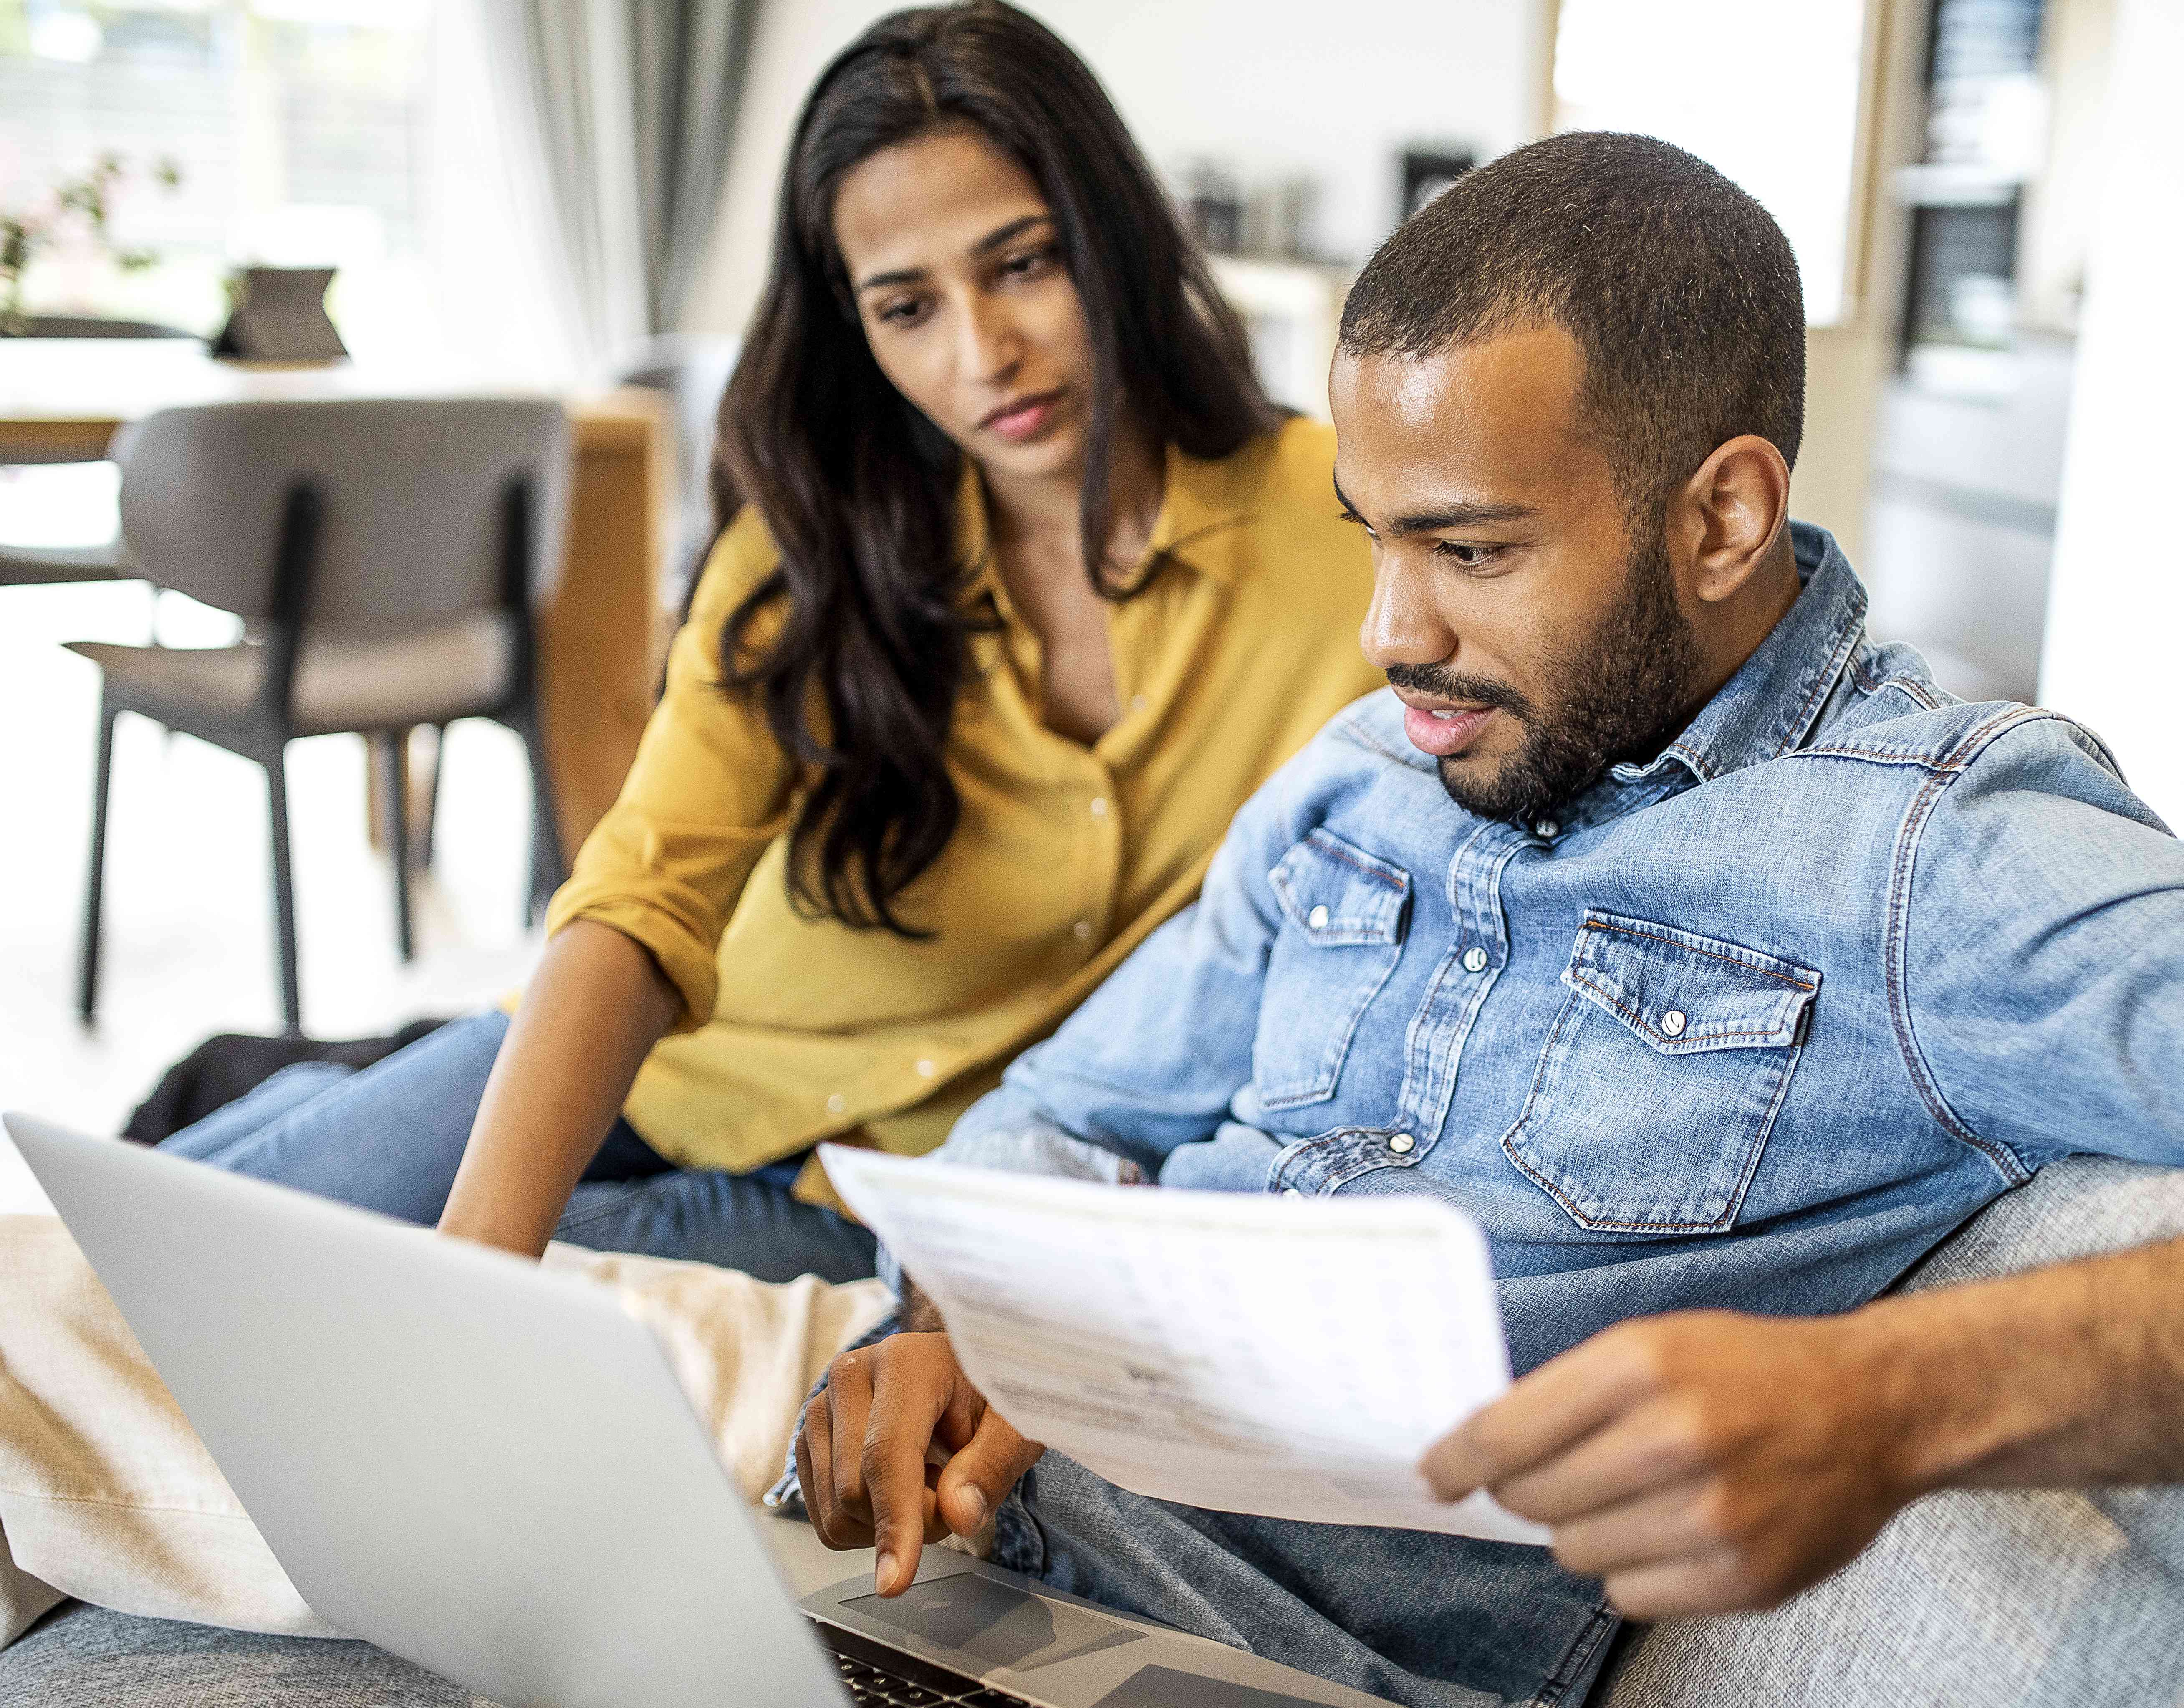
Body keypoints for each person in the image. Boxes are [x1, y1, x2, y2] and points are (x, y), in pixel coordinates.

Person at [788, 133, 2184, 1708]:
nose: (1389, 632)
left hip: (1237, 1699)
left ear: (1718, 512)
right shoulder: (1378, 771)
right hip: (952, 1559)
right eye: (1374, 540)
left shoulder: (1934, 856)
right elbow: (1064, 1105)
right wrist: (949, 1311)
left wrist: (1889, 1397)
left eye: (1468, 548)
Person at [154, 2, 1379, 1281]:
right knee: (149, 1252)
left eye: (1025, 264)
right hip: (660, 1063)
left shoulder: (1345, 524)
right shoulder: (817, 539)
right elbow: (643, 892)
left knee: (318, 1296)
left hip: (883, 1190)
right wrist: (478, 1261)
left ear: (1114, 238)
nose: (985, 353)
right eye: (908, 308)